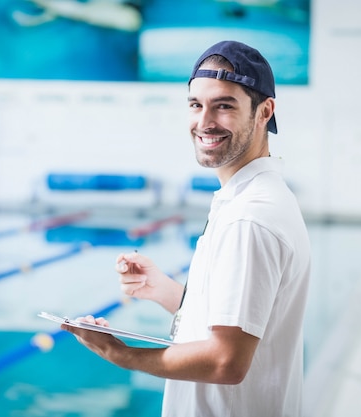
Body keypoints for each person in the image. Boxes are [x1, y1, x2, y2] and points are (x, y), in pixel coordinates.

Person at [62, 40, 311, 416]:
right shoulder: (250, 199)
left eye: (224, 105)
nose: (205, 121)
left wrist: (121, 354)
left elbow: (226, 361)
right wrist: (169, 294)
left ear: (264, 112)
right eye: (196, 104)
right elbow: (242, 319)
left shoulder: (250, 217)